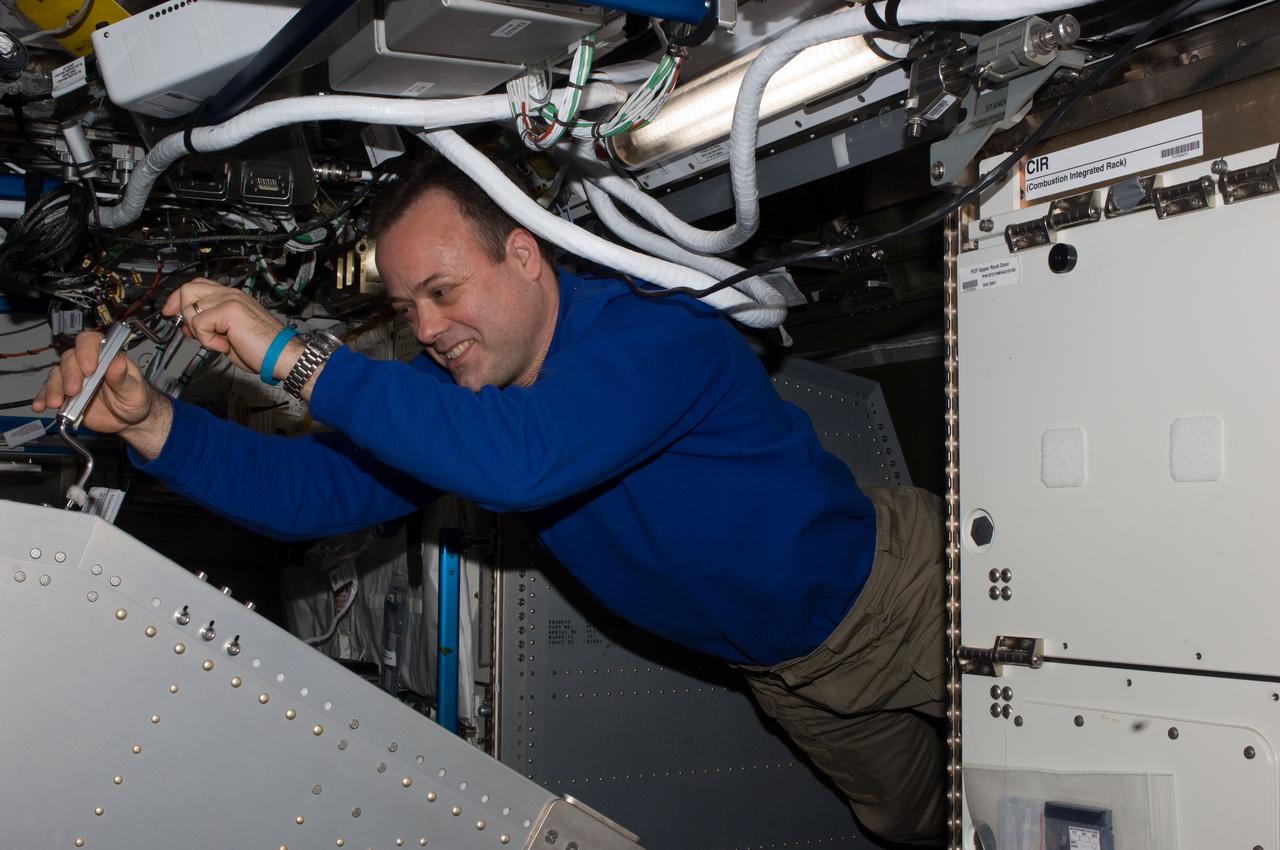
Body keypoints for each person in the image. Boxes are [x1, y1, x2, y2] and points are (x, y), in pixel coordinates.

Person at [34, 156, 947, 845]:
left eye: (442, 291)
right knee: (918, 826)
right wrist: (154, 424)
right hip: (792, 674)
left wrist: (287, 353)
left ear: (522, 254)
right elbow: (312, 492)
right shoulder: (476, 410)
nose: (427, 330)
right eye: (407, 310)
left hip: (903, 597)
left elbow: (525, 464)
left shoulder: (653, 330)